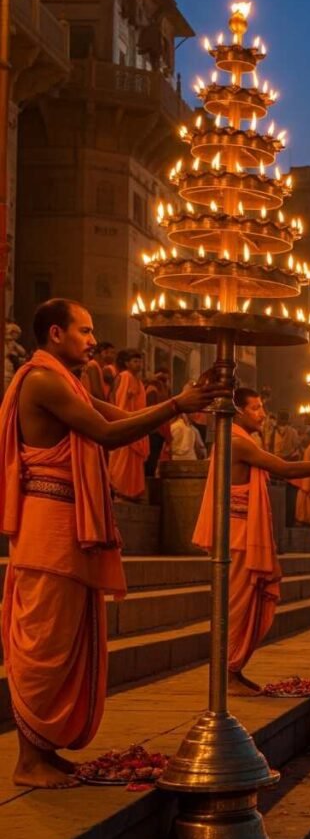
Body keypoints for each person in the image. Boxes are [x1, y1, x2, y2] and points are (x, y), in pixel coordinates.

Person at [0, 299, 224, 787]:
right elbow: (104, 433)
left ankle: (46, 751)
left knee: (69, 640)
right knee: (45, 642)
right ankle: (28, 762)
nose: (92, 339)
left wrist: (183, 399)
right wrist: (175, 405)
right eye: (84, 330)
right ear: (55, 333)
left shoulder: (69, 382)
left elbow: (119, 417)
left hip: (70, 527)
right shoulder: (41, 380)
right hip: (49, 528)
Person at [192, 388, 310, 696]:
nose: (263, 414)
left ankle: (234, 669)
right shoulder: (235, 443)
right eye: (256, 408)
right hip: (235, 537)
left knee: (247, 603)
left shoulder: (245, 442)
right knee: (235, 606)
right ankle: (227, 673)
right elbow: (285, 470)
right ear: (238, 412)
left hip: (243, 534)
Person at [108, 349, 148, 500]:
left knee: (133, 465)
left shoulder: (137, 379)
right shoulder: (126, 376)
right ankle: (121, 494)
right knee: (122, 464)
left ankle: (131, 496)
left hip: (137, 426)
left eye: (139, 361)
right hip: (128, 425)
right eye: (134, 361)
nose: (138, 364)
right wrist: (127, 423)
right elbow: (121, 403)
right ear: (126, 363)